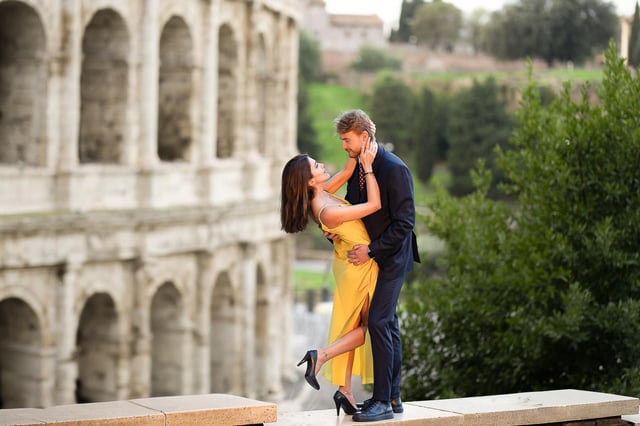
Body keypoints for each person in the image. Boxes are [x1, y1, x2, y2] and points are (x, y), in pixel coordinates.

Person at [280, 136, 380, 416]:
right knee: (368, 327)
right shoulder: (326, 209)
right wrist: (369, 167)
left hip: (349, 264)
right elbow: (374, 204)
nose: (322, 165)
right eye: (316, 166)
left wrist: (364, 137)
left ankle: (345, 392)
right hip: (356, 267)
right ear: (310, 181)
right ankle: (321, 355)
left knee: (351, 327)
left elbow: (348, 170)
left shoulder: (322, 192)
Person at [332, 109, 420, 422]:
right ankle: (393, 397)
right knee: (389, 324)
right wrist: (335, 231)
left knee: (380, 322)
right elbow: (352, 207)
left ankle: (382, 401)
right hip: (375, 258)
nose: (344, 146)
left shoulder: (395, 169)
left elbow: (405, 224)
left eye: (347, 140)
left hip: (393, 256)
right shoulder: (358, 167)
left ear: (364, 137)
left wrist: (371, 250)